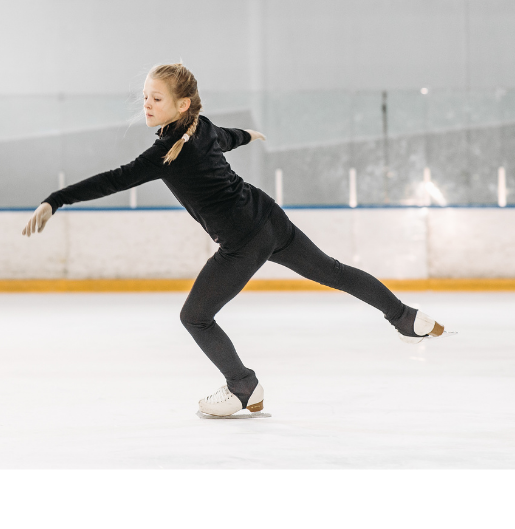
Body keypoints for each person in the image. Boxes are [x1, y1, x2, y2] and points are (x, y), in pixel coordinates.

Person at [22, 63, 444, 417]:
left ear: (181, 105)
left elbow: (113, 180)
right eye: (145, 96)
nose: (146, 104)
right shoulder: (201, 128)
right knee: (332, 271)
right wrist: (248, 135)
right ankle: (407, 318)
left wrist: (56, 199)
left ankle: (243, 387)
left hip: (243, 242)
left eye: (156, 98)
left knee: (195, 317)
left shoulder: (166, 154)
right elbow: (226, 136)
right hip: (269, 219)